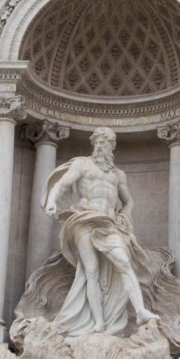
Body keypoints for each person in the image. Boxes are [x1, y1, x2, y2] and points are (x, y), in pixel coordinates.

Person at [43, 127, 158, 336]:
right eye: (98, 142)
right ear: (93, 144)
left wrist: (125, 215)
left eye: (106, 142)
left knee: (124, 262)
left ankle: (141, 311)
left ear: (112, 146)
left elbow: (129, 201)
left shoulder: (118, 174)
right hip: (84, 220)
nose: (101, 145)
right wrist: (51, 201)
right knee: (92, 271)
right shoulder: (82, 165)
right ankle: (98, 323)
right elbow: (62, 185)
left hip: (109, 224)